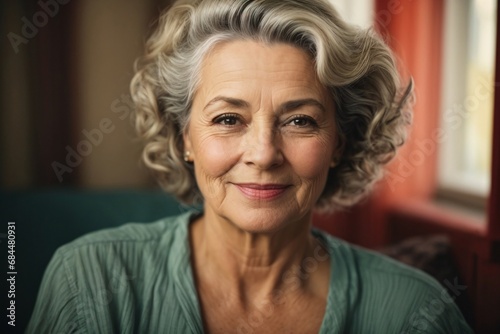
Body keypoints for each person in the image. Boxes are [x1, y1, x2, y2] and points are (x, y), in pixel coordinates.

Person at [27, 0, 473, 333]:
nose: (263, 153)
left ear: (339, 141)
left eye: (299, 120)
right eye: (227, 119)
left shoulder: (415, 313)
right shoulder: (88, 280)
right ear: (184, 137)